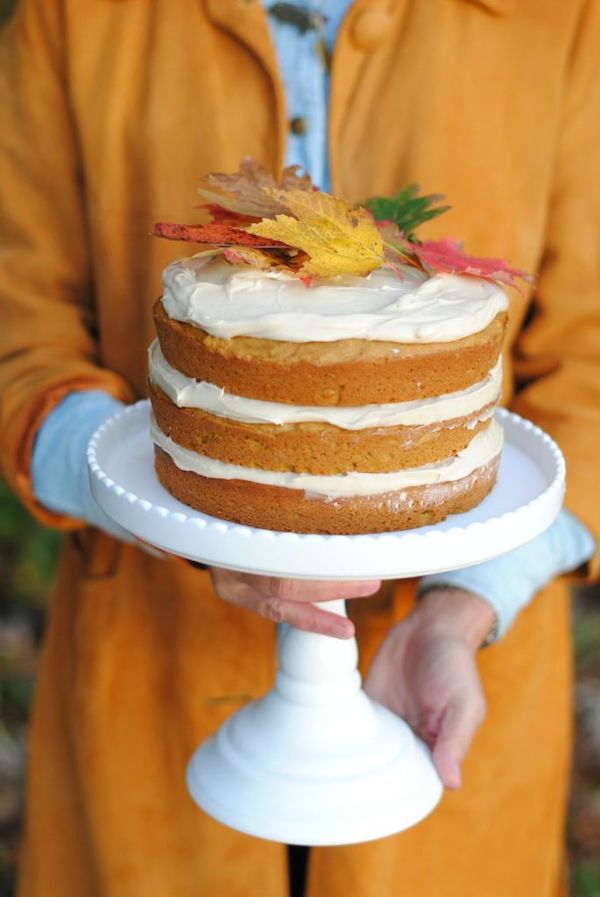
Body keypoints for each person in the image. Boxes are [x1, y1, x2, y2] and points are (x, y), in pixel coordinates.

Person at [0, 1, 597, 895]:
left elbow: (591, 367)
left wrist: (468, 602)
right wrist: (161, 495)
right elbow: (18, 332)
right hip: (148, 685)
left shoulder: (560, 21)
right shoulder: (75, 16)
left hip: (455, 689)